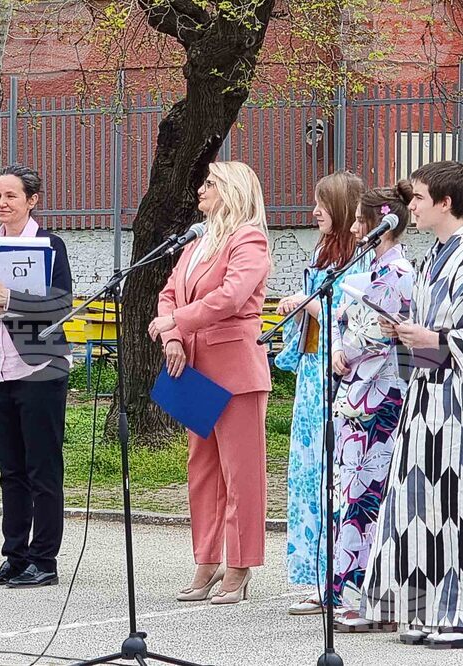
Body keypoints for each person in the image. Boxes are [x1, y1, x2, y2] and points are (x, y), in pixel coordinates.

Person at [361, 161, 463, 649]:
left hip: (461, 407)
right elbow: (440, 341)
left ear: (446, 202)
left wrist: (434, 336)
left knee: (459, 505)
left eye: (420, 198)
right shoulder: (434, 261)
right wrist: (407, 333)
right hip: (427, 400)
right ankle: (425, 610)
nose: (411, 207)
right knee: (418, 507)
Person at [148, 161, 273, 605]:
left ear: (232, 190)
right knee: (202, 471)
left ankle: (239, 566)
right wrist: (173, 336)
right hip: (193, 368)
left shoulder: (249, 239)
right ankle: (206, 559)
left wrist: (173, 321)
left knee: (241, 475)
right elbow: (168, 292)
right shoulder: (198, 241)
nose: (200, 190)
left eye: (209, 184)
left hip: (235, 367)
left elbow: (231, 297)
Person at [0, 164, 73, 589]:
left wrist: (11, 298)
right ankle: (15, 554)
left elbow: (62, 304)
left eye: (10, 196)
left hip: (40, 366)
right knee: (10, 468)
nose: (1, 203)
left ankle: (44, 559)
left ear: (31, 201)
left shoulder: (50, 245)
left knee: (41, 466)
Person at [277, 171, 371, 614]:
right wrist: (301, 303)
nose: (314, 211)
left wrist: (308, 303)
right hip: (313, 372)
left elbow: (356, 317)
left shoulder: (361, 258)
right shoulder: (323, 252)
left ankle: (339, 575)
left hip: (339, 372)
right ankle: (317, 574)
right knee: (309, 469)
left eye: (322, 203)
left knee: (333, 471)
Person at [328, 183, 415, 630]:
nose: (358, 229)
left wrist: (352, 338)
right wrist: (341, 345)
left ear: (382, 226)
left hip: (382, 393)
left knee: (368, 496)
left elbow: (384, 332)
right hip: (359, 387)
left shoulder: (399, 271)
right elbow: (349, 319)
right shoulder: (369, 269)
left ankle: (365, 596)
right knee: (353, 489)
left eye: (363, 222)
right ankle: (353, 590)